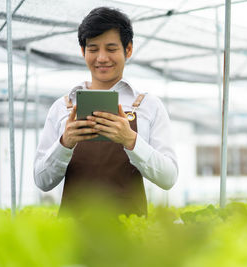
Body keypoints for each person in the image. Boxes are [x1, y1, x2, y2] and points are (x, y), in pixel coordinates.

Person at [33, 7, 178, 217]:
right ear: (83, 52)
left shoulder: (148, 106)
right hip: (73, 238)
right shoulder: (62, 108)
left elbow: (168, 178)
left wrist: (131, 140)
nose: (101, 58)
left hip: (130, 236)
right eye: (93, 49)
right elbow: (42, 181)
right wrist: (65, 144)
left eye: (111, 49)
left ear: (128, 50)